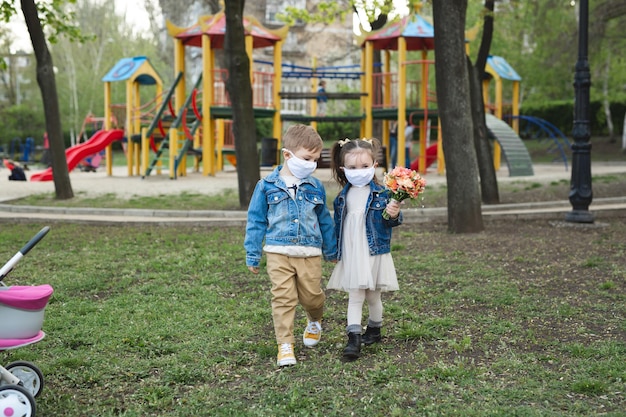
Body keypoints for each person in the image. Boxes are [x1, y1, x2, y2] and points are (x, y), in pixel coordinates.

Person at [244, 124, 338, 367]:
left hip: (310, 252)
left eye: (316, 159)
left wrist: (332, 250)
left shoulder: (315, 186)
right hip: (278, 252)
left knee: (312, 297)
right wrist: (253, 254)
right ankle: (285, 344)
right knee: (283, 298)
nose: (312, 164)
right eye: (307, 158)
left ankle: (315, 319)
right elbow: (255, 221)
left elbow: (324, 220)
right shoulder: (265, 186)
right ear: (288, 154)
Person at [328, 137, 403, 361]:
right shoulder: (342, 197)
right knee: (355, 294)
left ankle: (375, 329)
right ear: (343, 169)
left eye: (364, 166)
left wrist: (394, 213)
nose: (358, 171)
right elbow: (337, 227)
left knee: (373, 295)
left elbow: (392, 222)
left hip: (373, 251)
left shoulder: (384, 194)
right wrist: (334, 252)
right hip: (352, 252)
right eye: (352, 167)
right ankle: (354, 337)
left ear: (374, 166)